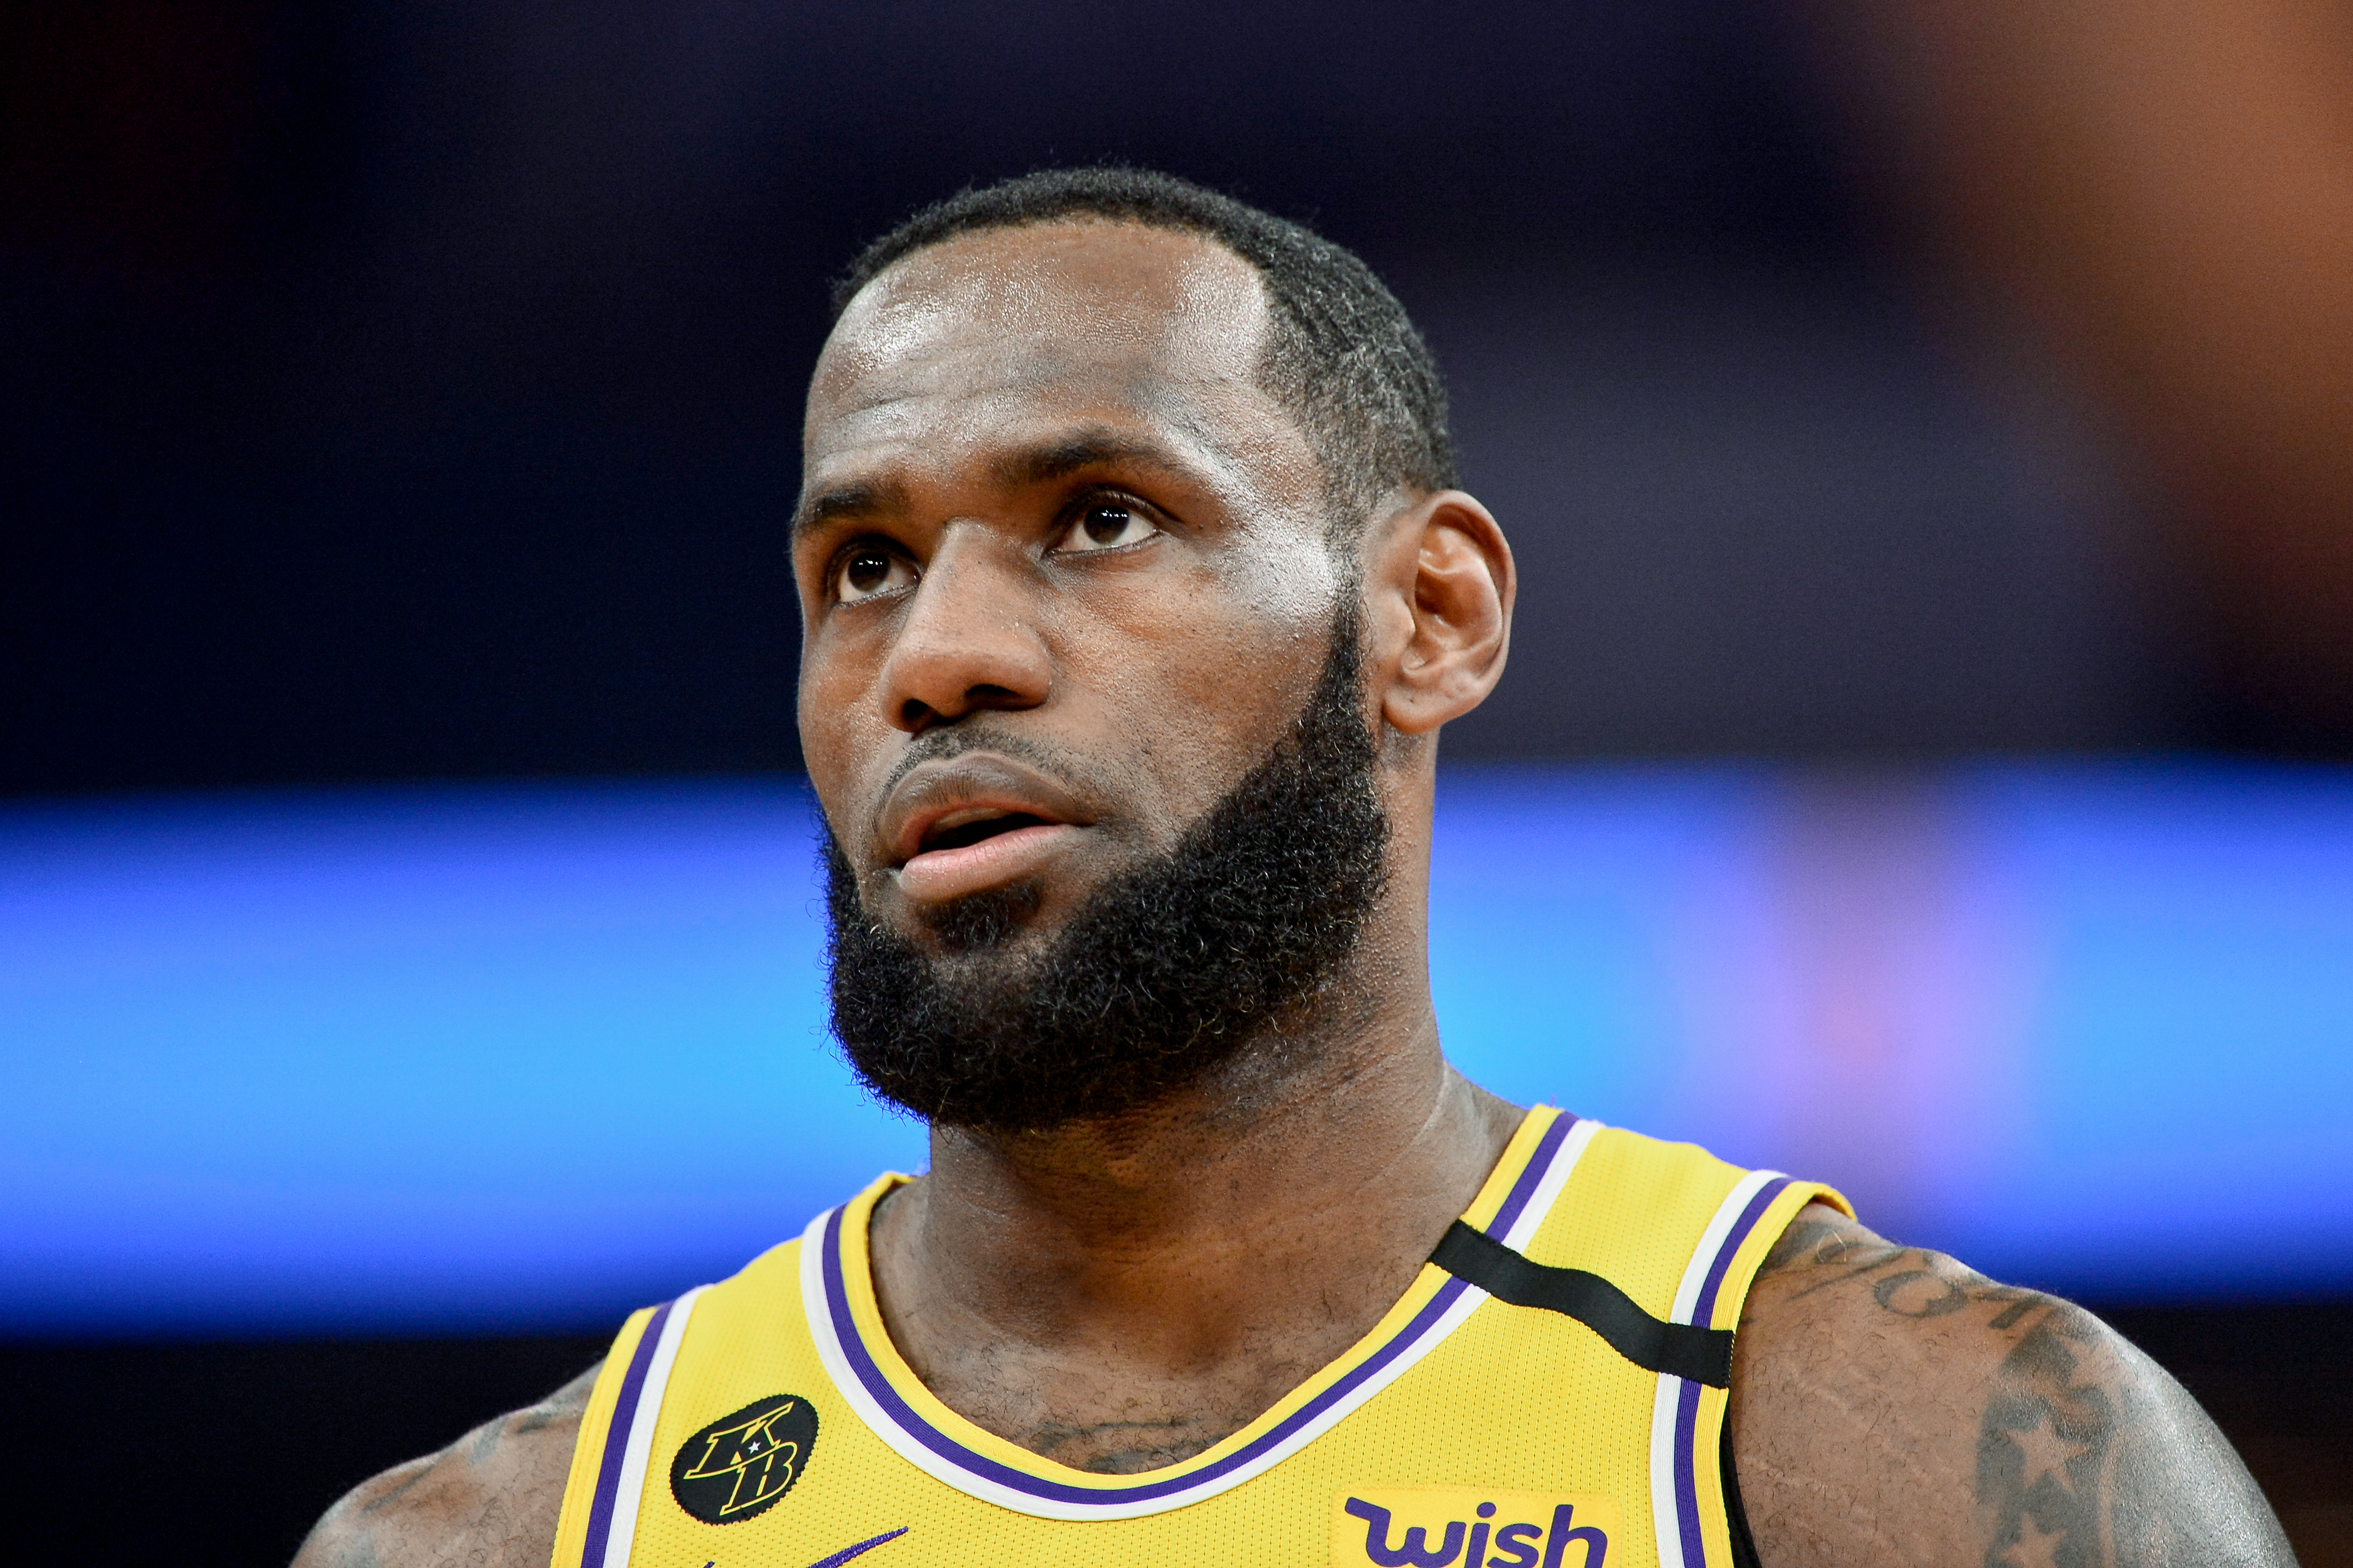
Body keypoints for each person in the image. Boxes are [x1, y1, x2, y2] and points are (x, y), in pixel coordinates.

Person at [292, 168, 2290, 1568]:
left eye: (1096, 517)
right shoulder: (520, 1534)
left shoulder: (1916, 1463)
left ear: (1428, 613)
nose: (935, 657)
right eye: (863, 566)